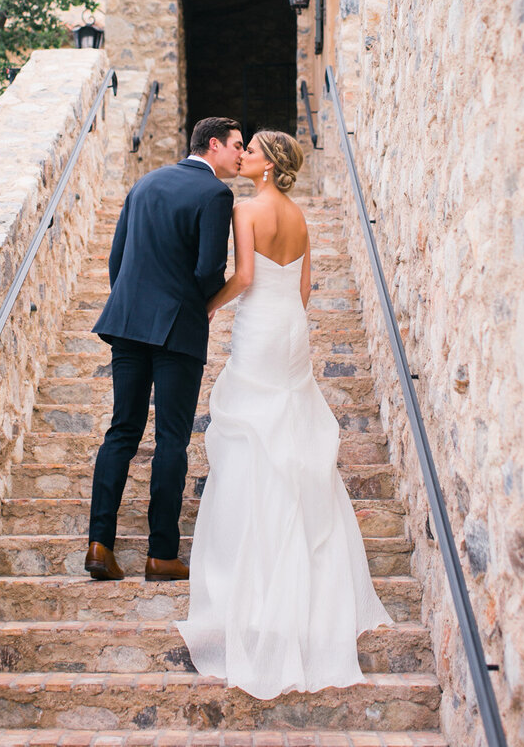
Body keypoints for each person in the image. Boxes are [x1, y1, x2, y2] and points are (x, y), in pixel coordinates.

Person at [176, 129, 392, 698]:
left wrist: (207, 306)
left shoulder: (246, 209)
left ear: (269, 165)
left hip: (258, 327)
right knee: (288, 431)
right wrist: (281, 323)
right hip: (289, 329)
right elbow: (303, 289)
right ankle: (299, 553)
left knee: (252, 431)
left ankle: (251, 567)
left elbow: (244, 278)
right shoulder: (298, 216)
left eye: (251, 151)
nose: (242, 154)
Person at [85, 116, 245, 582]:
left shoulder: (145, 183)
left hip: (128, 324)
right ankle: (161, 554)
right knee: (172, 439)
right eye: (237, 145)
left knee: (122, 431)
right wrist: (205, 308)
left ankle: (99, 544)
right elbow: (209, 271)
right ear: (213, 145)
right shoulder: (216, 194)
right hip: (178, 330)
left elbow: (118, 259)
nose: (240, 154)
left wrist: (135, 307)